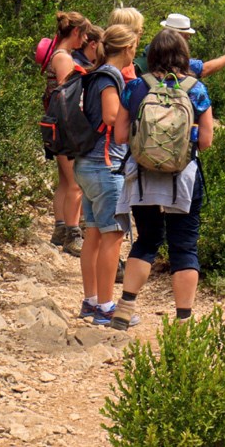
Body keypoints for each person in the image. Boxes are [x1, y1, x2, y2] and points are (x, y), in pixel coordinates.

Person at [111, 29, 217, 328]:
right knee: (184, 247)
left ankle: (125, 306)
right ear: (184, 56)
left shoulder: (134, 87)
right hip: (182, 177)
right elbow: (206, 141)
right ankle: (183, 321)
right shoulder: (196, 89)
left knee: (147, 240)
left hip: (142, 178)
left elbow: (119, 135)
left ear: (152, 55)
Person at [76, 25, 137, 326]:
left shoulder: (94, 73)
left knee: (94, 235)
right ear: (127, 48)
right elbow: (112, 117)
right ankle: (105, 306)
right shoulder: (110, 77)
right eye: (135, 46)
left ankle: (91, 301)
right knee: (112, 236)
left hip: (87, 164)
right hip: (105, 165)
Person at [34, 12, 90, 258]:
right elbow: (68, 99)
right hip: (65, 130)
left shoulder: (56, 55)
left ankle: (59, 229)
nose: (86, 39)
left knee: (65, 182)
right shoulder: (64, 59)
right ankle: (72, 234)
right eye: (84, 34)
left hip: (54, 128)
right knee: (75, 183)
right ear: (76, 32)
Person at [136, 12, 225, 78]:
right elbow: (203, 69)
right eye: (187, 36)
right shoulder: (176, 60)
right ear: (180, 36)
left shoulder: (149, 49)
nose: (188, 39)